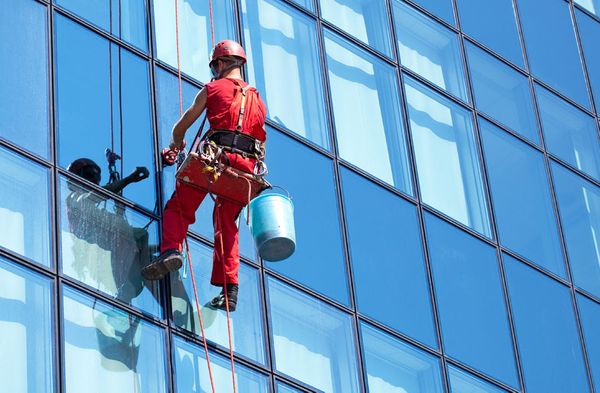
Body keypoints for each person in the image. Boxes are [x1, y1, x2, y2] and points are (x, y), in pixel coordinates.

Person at [141, 40, 267, 312]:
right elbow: (258, 138)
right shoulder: (259, 101)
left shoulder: (212, 89)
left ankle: (171, 250)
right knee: (226, 223)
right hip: (244, 171)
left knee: (180, 206)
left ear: (221, 64)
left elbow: (182, 125)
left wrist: (176, 145)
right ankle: (229, 289)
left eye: (215, 65)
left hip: (215, 160)